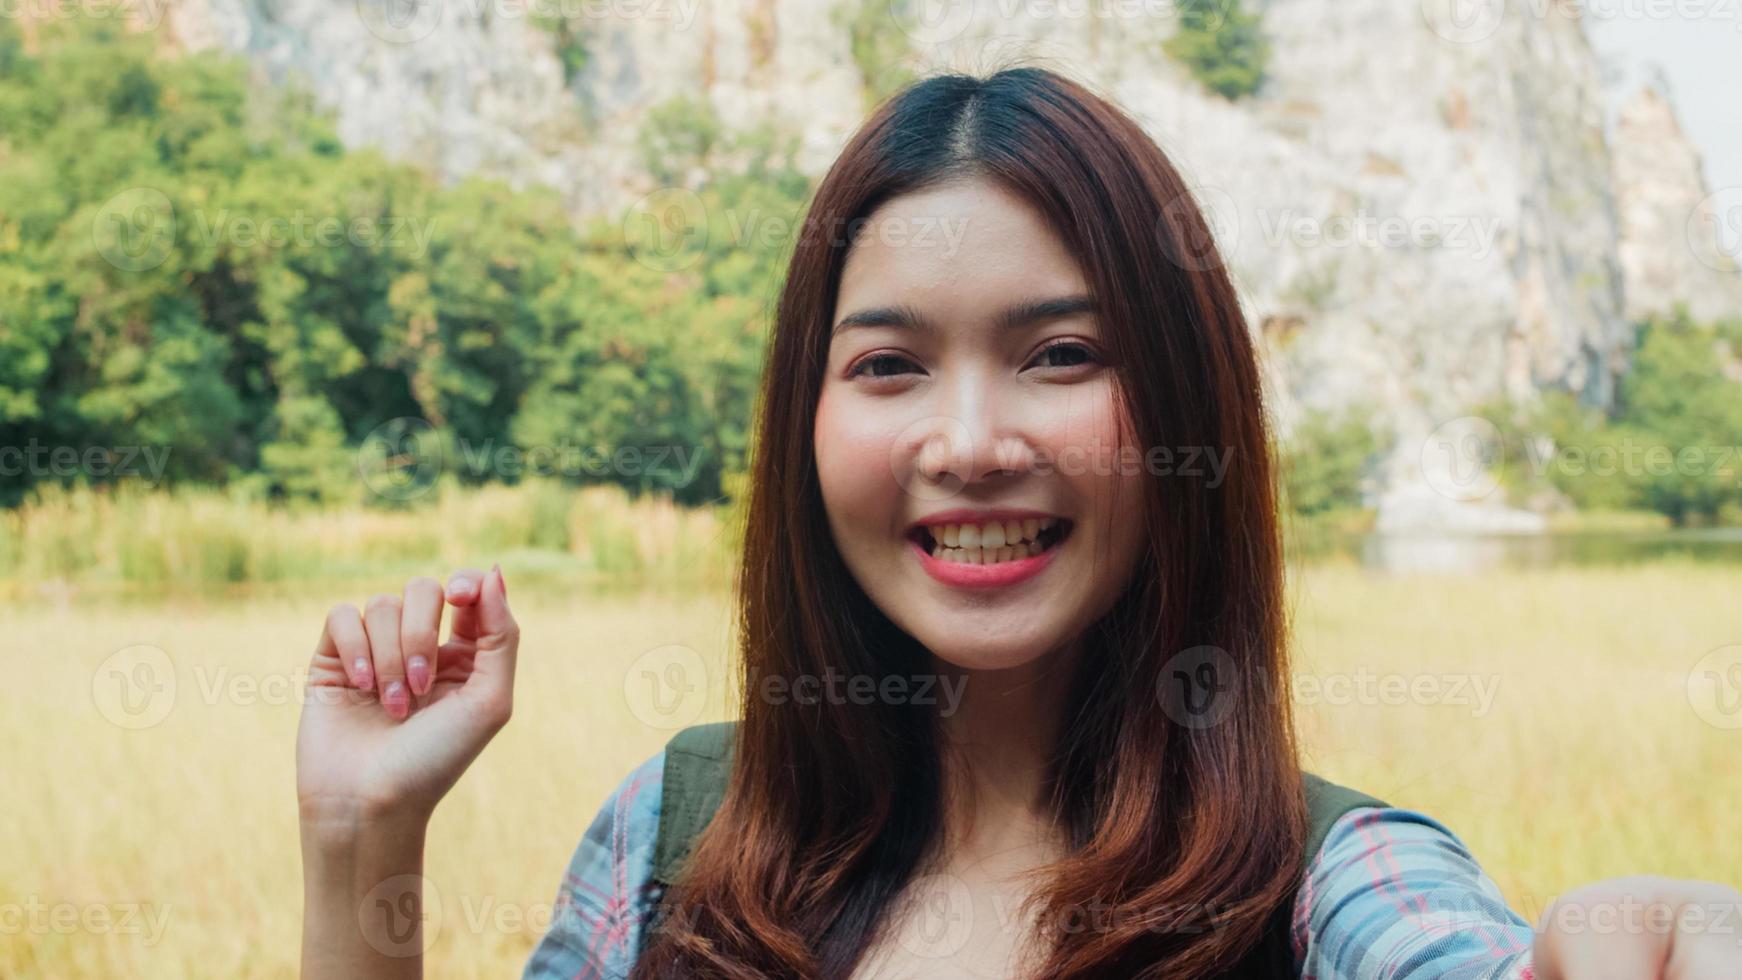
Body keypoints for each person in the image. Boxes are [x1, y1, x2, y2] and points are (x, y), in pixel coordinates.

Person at [296, 66, 1742, 979]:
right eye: (887, 366)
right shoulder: (672, 839)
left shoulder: (1327, 891)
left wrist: (1648, 938)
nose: (971, 443)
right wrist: (364, 839)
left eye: (1062, 354)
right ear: (806, 430)